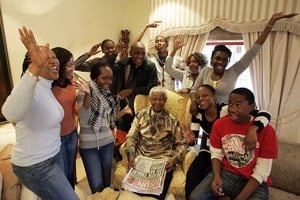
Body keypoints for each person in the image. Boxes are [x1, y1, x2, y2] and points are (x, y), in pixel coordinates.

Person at [2, 26, 79, 199]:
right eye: (47, 58)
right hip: (36, 164)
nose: (55, 61)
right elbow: (10, 113)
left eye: (55, 57)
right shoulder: (32, 85)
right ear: (35, 63)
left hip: (53, 154)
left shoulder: (46, 86)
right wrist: (35, 67)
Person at [189, 12, 298, 115]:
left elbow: (252, 52)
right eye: (217, 58)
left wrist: (272, 22)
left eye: (224, 60)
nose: (220, 62)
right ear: (212, 59)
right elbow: (194, 90)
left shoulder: (234, 71)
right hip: (205, 113)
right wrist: (194, 102)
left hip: (225, 115)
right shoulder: (205, 71)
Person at [184, 84, 271, 199]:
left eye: (205, 95)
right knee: (194, 173)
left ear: (214, 97)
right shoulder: (198, 114)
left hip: (226, 151)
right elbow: (195, 140)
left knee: (208, 173)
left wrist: (254, 128)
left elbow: (264, 114)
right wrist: (190, 141)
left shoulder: (225, 110)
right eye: (198, 97)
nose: (201, 99)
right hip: (210, 149)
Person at [74, 62, 132, 194]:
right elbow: (83, 120)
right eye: (104, 78)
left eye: (110, 78)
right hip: (89, 146)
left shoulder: (106, 94)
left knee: (107, 184)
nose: (108, 82)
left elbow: (109, 120)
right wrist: (88, 95)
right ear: (95, 78)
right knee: (96, 185)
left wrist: (124, 112)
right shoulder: (84, 91)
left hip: (107, 142)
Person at [124, 86, 187, 200]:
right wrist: (131, 156)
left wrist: (174, 160)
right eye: (154, 99)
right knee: (131, 193)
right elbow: (131, 137)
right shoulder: (141, 115)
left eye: (161, 99)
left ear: (166, 100)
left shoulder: (172, 119)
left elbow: (182, 144)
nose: (158, 102)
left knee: (155, 195)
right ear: (150, 99)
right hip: (142, 158)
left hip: (163, 161)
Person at [112, 41, 158, 132]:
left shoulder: (150, 66)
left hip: (142, 106)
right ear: (130, 53)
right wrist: (114, 54)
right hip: (122, 104)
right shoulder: (123, 64)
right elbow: (109, 71)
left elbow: (152, 88)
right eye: (137, 53)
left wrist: (131, 90)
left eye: (143, 53)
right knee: (123, 131)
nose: (140, 56)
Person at [51, 47, 78, 189]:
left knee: (70, 174)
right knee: (61, 174)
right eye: (69, 65)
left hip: (72, 134)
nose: (73, 68)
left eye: (73, 64)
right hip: (56, 138)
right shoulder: (47, 87)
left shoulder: (71, 83)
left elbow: (74, 107)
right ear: (60, 65)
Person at [136, 22, 185, 90]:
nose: (159, 43)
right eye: (156, 41)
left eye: (161, 41)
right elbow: (135, 46)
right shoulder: (150, 58)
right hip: (156, 95)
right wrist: (145, 28)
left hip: (173, 94)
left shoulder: (178, 59)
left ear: (167, 44)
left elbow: (186, 77)